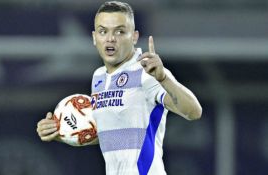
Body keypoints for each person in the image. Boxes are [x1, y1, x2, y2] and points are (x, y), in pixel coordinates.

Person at [36, 1, 202, 175]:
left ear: (134, 36)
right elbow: (111, 133)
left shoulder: (146, 72)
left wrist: (164, 78)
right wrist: (60, 131)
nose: (110, 38)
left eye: (120, 31)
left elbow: (194, 111)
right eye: (103, 31)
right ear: (94, 37)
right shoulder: (99, 77)